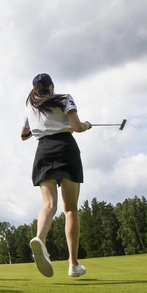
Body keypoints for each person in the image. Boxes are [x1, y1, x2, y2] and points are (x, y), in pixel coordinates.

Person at [21, 73, 91, 278]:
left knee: (48, 205)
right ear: (52, 86)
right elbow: (77, 127)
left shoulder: (30, 107)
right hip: (65, 148)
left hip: (43, 150)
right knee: (70, 210)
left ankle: (40, 239)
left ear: (35, 89)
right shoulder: (64, 98)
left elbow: (23, 135)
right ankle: (73, 264)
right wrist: (86, 124)